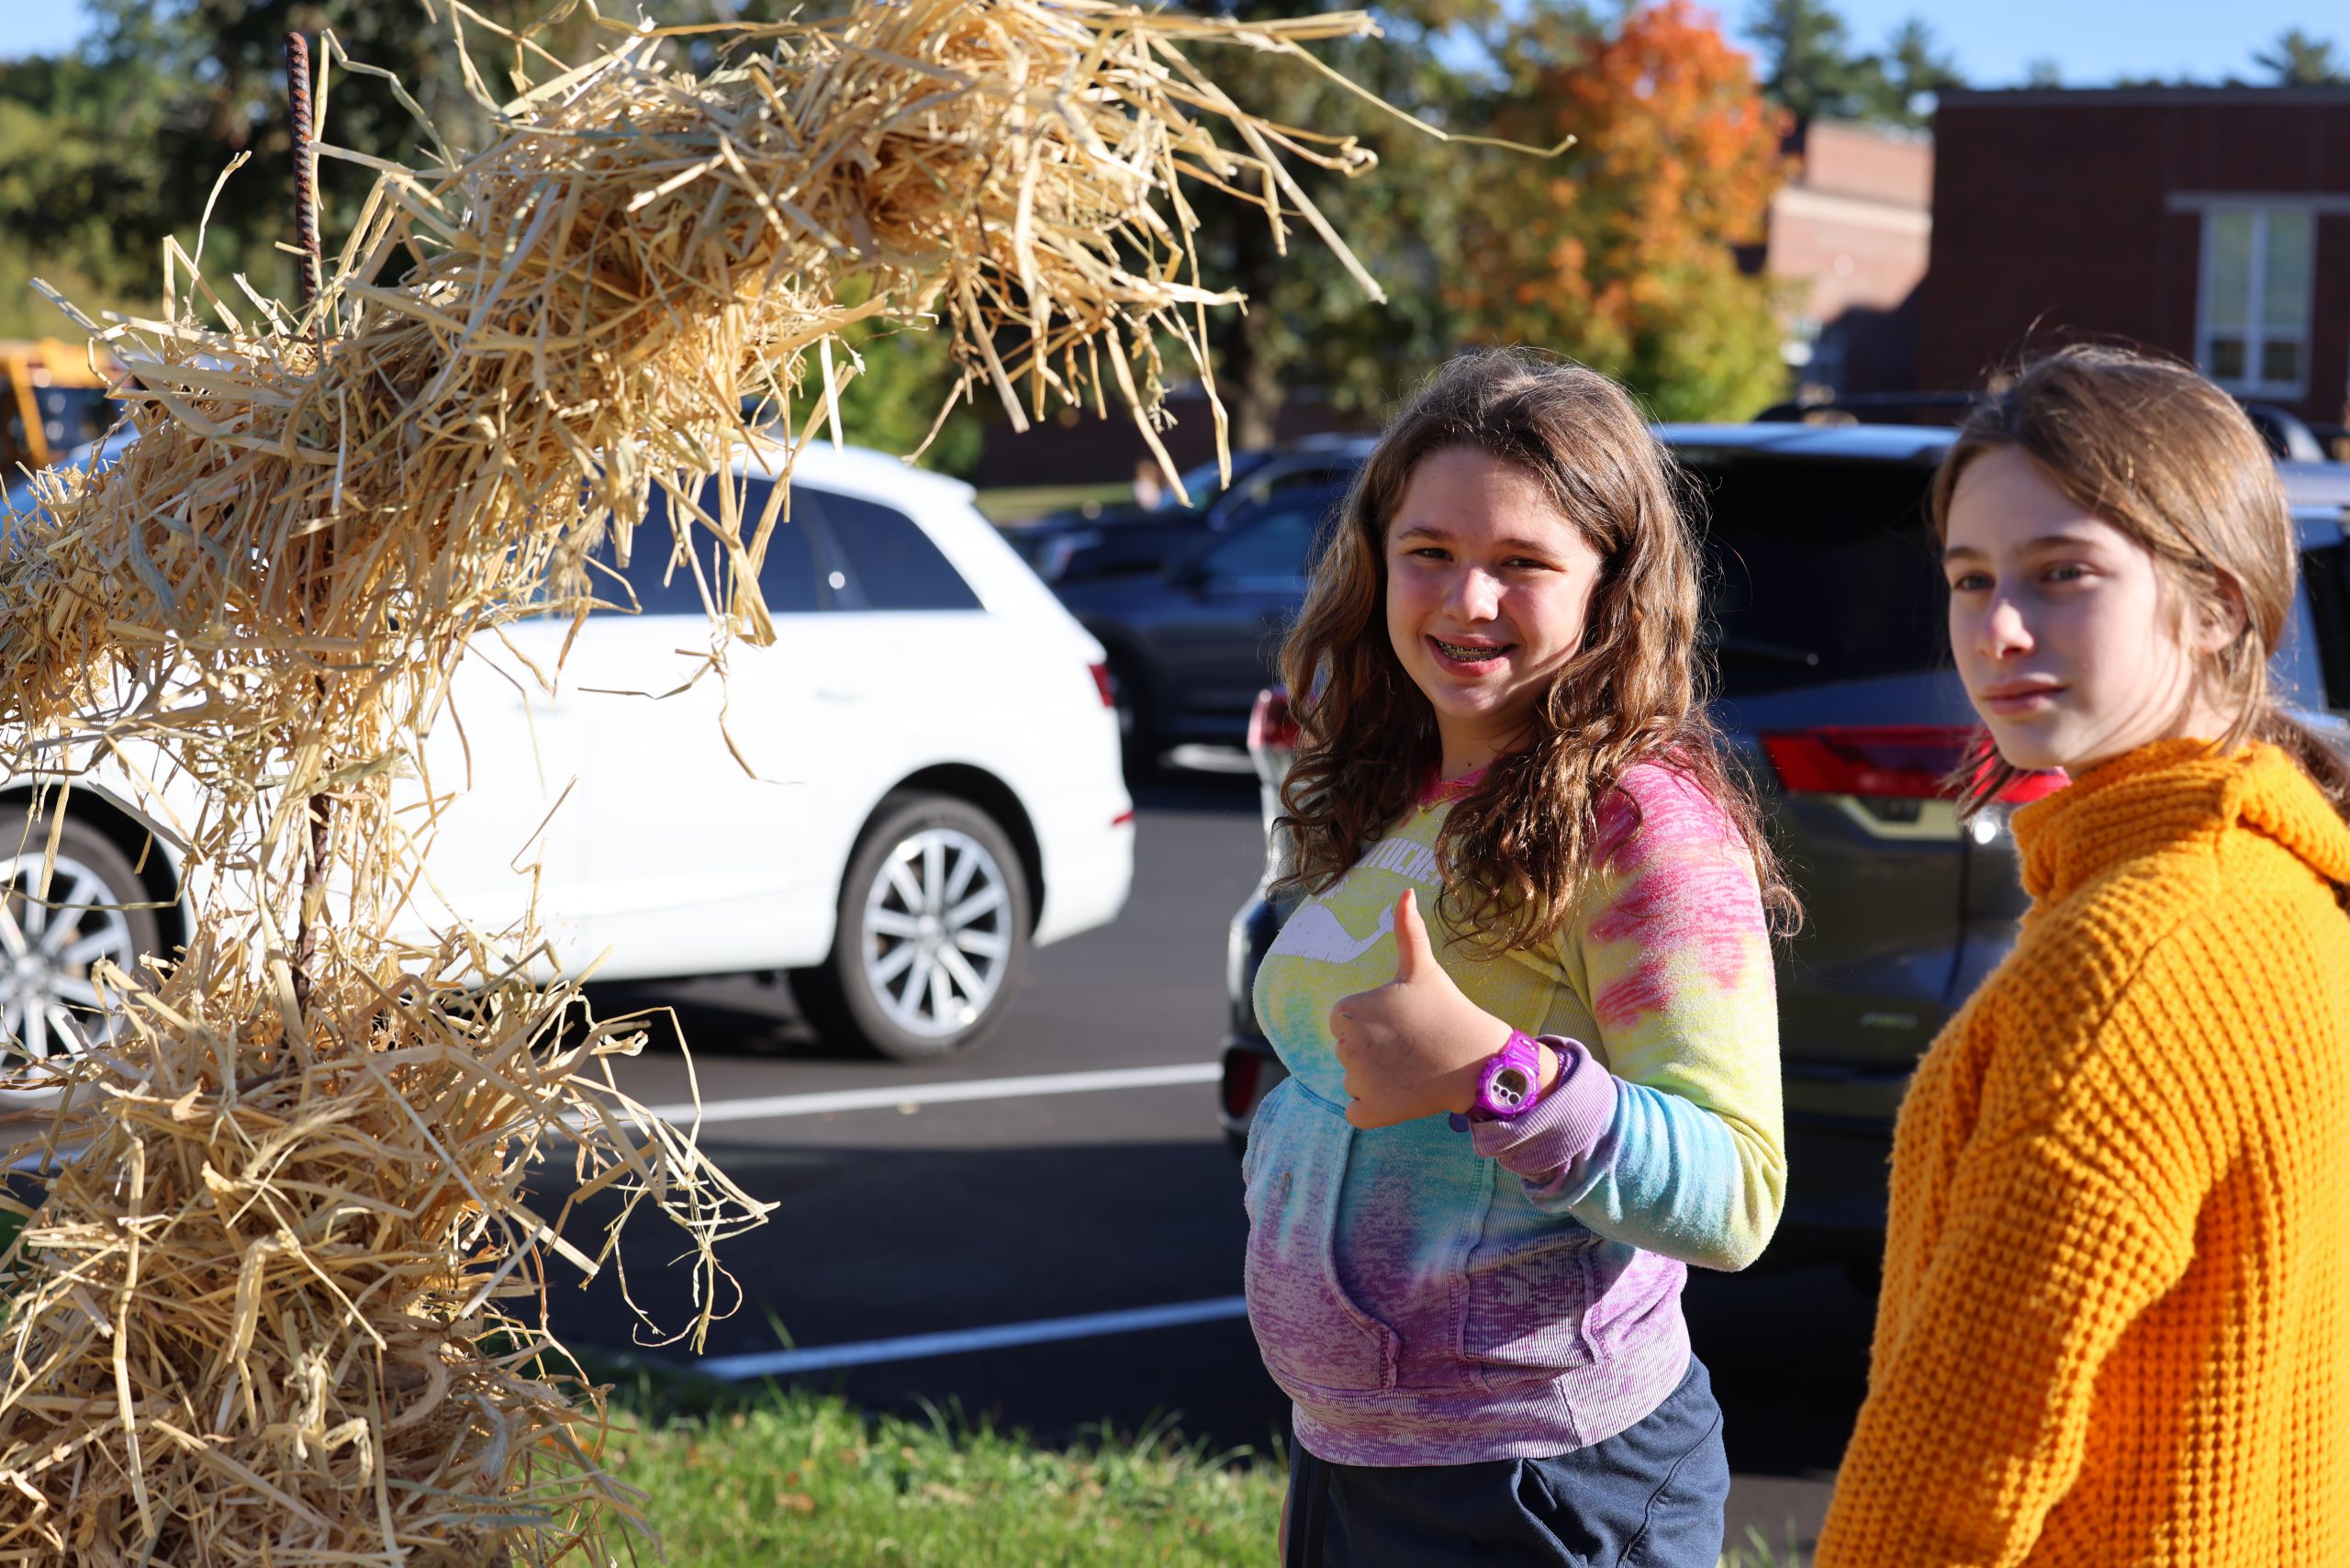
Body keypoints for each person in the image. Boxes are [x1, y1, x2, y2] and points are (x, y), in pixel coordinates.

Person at [1244, 348, 1791, 1567]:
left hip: (1544, 1482)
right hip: (1356, 1453)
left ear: (1611, 588)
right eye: (1430, 552)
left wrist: (1499, 1075)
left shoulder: (1640, 819)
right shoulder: (1395, 784)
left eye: (1522, 564)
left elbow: (1739, 1193)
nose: (1465, 600)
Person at [1814, 345, 2350, 1564]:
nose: (1999, 628)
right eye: (1969, 577)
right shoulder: (2278, 878)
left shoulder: (2141, 950)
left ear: (2217, 603)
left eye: (2064, 575)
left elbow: (1963, 1450)